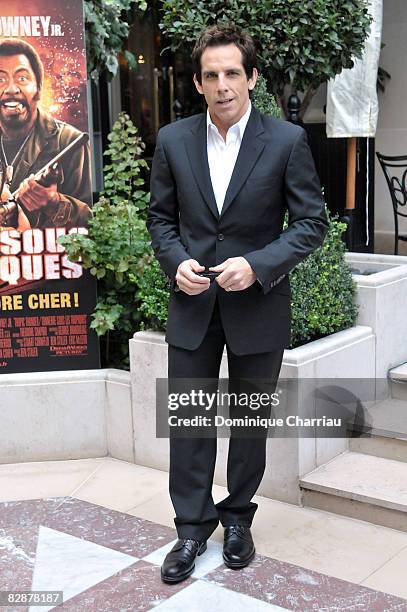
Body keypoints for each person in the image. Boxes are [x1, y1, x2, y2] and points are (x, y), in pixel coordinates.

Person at [147, 23, 328, 584]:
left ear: (251, 77)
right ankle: (190, 530)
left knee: (249, 425)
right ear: (198, 84)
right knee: (190, 423)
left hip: (259, 307)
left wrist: (259, 265)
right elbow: (160, 218)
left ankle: (238, 519)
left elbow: (310, 224)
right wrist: (174, 261)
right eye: (211, 75)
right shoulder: (174, 140)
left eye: (232, 73)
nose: (223, 85)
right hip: (193, 304)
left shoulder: (286, 142)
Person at [0, 38, 91, 230]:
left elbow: (90, 225)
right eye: (0, 79)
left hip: (49, 258)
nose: (11, 89)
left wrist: (54, 203)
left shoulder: (69, 141)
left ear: (39, 88)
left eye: (22, 78)